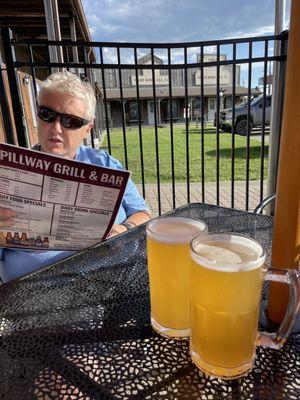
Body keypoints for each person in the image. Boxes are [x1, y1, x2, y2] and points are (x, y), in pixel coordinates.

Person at [0, 71, 151, 282]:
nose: (56, 127)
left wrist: (124, 229)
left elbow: (142, 213)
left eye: (71, 121)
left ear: (87, 130)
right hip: (30, 291)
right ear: (37, 116)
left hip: (105, 278)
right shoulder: (8, 173)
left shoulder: (105, 164)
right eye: (47, 114)